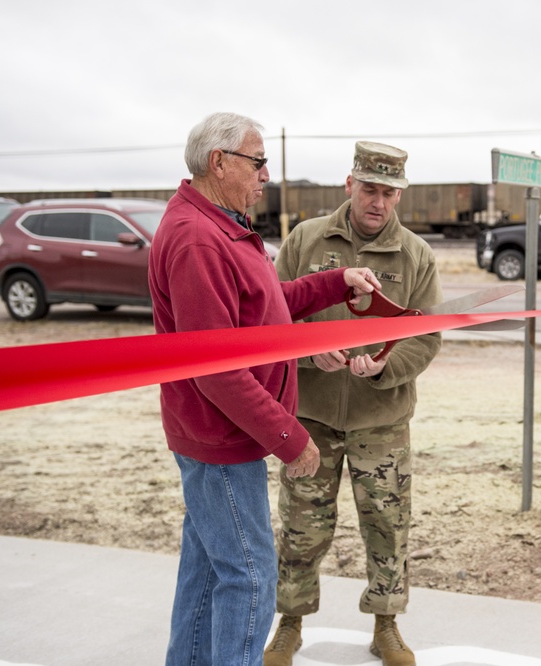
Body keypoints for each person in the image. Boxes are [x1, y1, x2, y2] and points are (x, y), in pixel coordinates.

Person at [148, 112, 382, 666]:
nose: (266, 175)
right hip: (221, 442)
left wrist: (334, 282)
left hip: (219, 439)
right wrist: (289, 436)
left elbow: (264, 308)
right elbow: (216, 367)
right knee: (251, 576)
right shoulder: (199, 240)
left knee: (208, 570)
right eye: (257, 162)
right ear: (218, 162)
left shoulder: (219, 225)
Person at [265, 141, 442, 666]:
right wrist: (308, 353)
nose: (379, 203)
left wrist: (387, 366)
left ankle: (385, 625)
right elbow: (272, 318)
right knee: (302, 525)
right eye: (370, 190)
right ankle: (290, 623)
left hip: (381, 420)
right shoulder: (306, 240)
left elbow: (427, 336)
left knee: (387, 525)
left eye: (390, 193)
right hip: (312, 418)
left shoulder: (415, 255)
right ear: (350, 185)